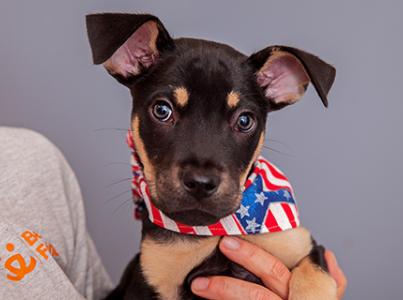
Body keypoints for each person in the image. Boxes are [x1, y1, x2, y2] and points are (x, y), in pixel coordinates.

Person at [0, 127, 346, 299]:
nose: (200, 172)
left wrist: (313, 283)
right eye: (164, 112)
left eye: (242, 121)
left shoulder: (31, 161)